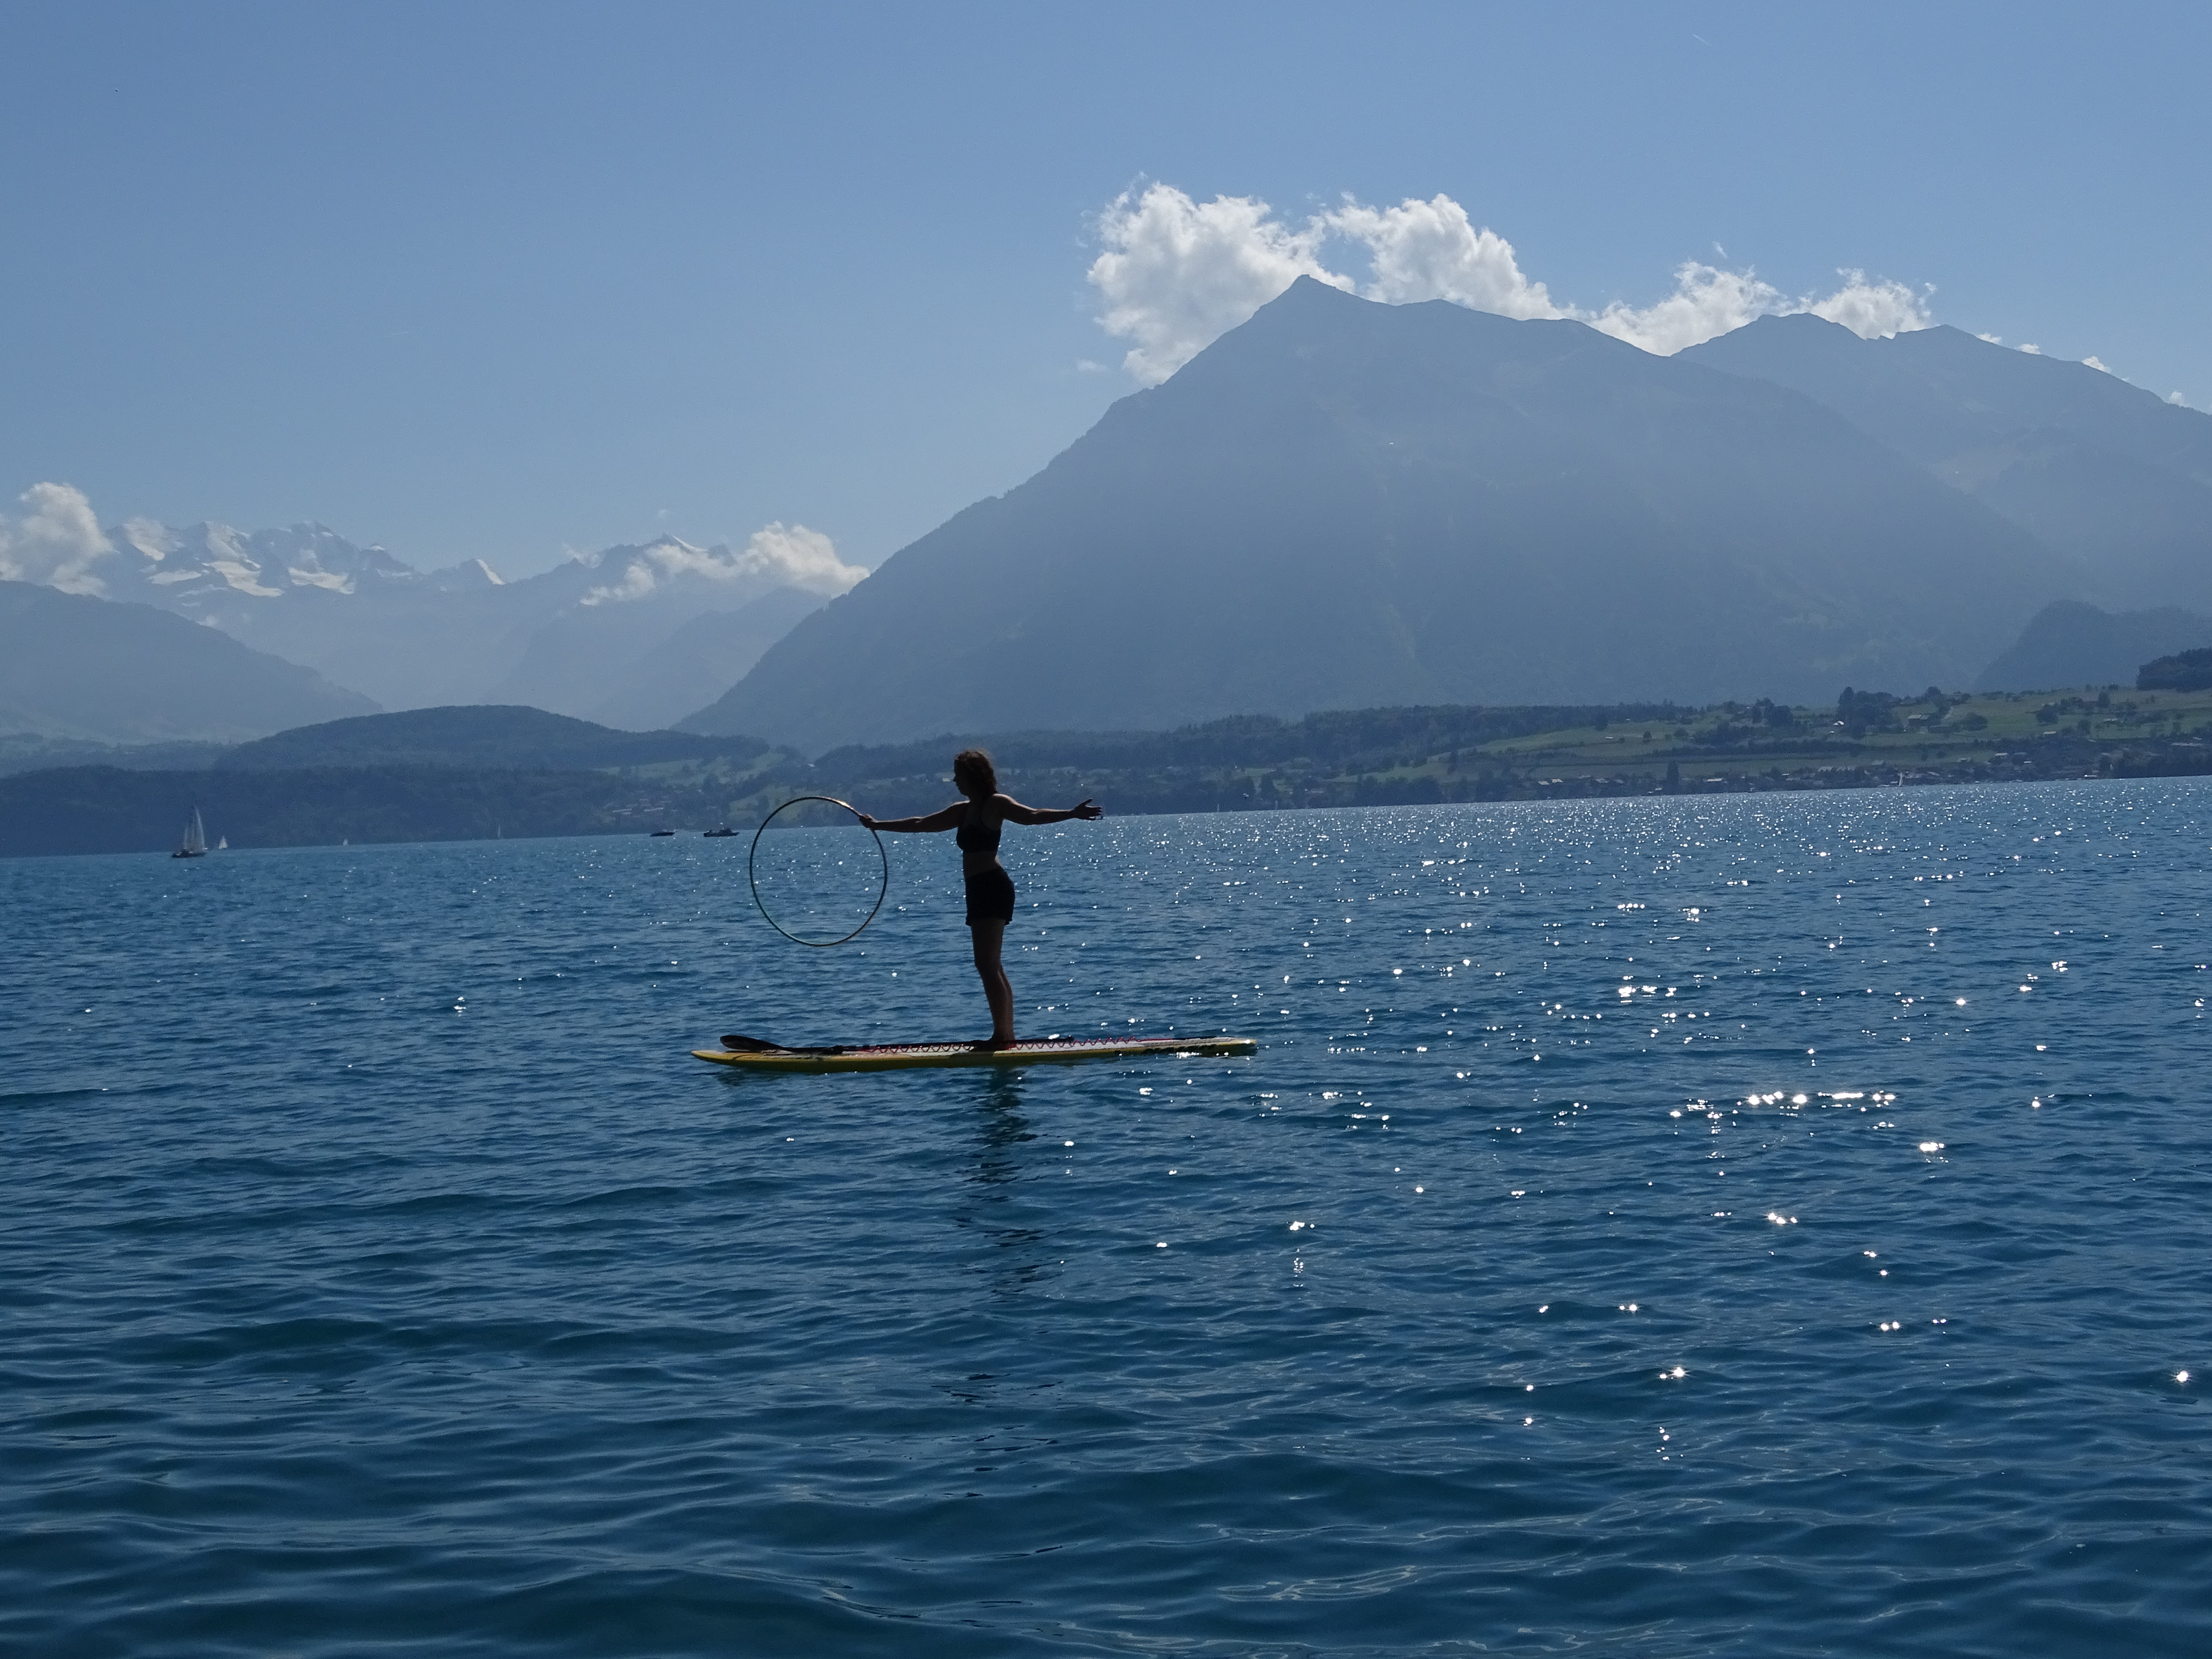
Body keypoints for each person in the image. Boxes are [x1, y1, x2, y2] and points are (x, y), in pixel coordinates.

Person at [857, 750, 1101, 1048]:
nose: (956, 781)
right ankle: (1006, 1034)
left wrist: (1072, 814)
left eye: (959, 775)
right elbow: (922, 823)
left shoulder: (996, 804)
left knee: (986, 965)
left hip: (991, 887)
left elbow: (1032, 816)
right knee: (992, 965)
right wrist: (879, 825)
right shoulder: (963, 810)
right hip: (977, 889)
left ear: (973, 776)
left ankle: (1002, 1035)